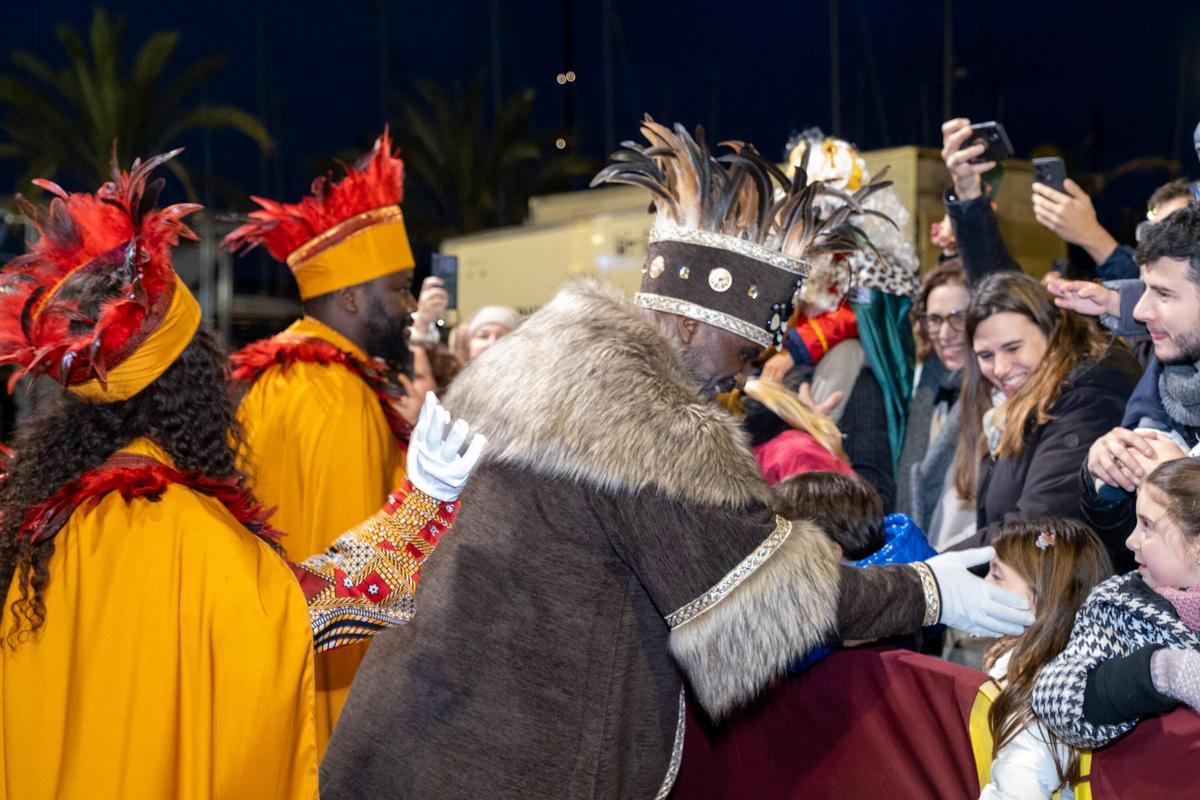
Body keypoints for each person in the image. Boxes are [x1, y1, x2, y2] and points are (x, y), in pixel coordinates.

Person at [319, 118, 1033, 800]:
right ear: (690, 323)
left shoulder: (538, 362)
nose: (746, 376)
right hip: (493, 766)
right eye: (747, 352)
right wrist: (929, 591)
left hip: (414, 736)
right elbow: (770, 600)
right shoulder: (648, 424)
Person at [0, 153, 481, 798]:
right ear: (188, 386)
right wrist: (424, 506)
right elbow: (304, 616)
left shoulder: (50, 514)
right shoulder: (173, 520)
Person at [221, 129, 427, 753]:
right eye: (399, 288)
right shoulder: (335, 395)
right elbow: (359, 587)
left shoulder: (281, 375)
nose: (412, 305)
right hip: (340, 709)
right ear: (350, 297)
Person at [1049, 206, 1200, 572]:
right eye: (1144, 288)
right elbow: (1123, 546)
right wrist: (1101, 475)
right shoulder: (1167, 380)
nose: (1139, 310)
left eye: (1163, 293)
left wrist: (1181, 486)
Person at [952, 271, 1139, 545]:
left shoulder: (1089, 391)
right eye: (986, 355)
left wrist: (925, 571)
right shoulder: (1014, 401)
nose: (1001, 368)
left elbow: (1037, 527)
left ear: (1053, 331)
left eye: (1013, 347)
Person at [1033, 458, 1200, 751]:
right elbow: (1053, 698)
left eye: (1147, 525)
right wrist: (1162, 670)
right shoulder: (1119, 606)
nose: (1130, 541)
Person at [978, 519, 1113, 800]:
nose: (983, 584)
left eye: (997, 575)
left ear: (1041, 598)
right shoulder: (1059, 674)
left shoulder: (1033, 697)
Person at [898, 259, 978, 551]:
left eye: (959, 317)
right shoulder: (930, 380)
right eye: (935, 319)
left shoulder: (993, 394)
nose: (945, 334)